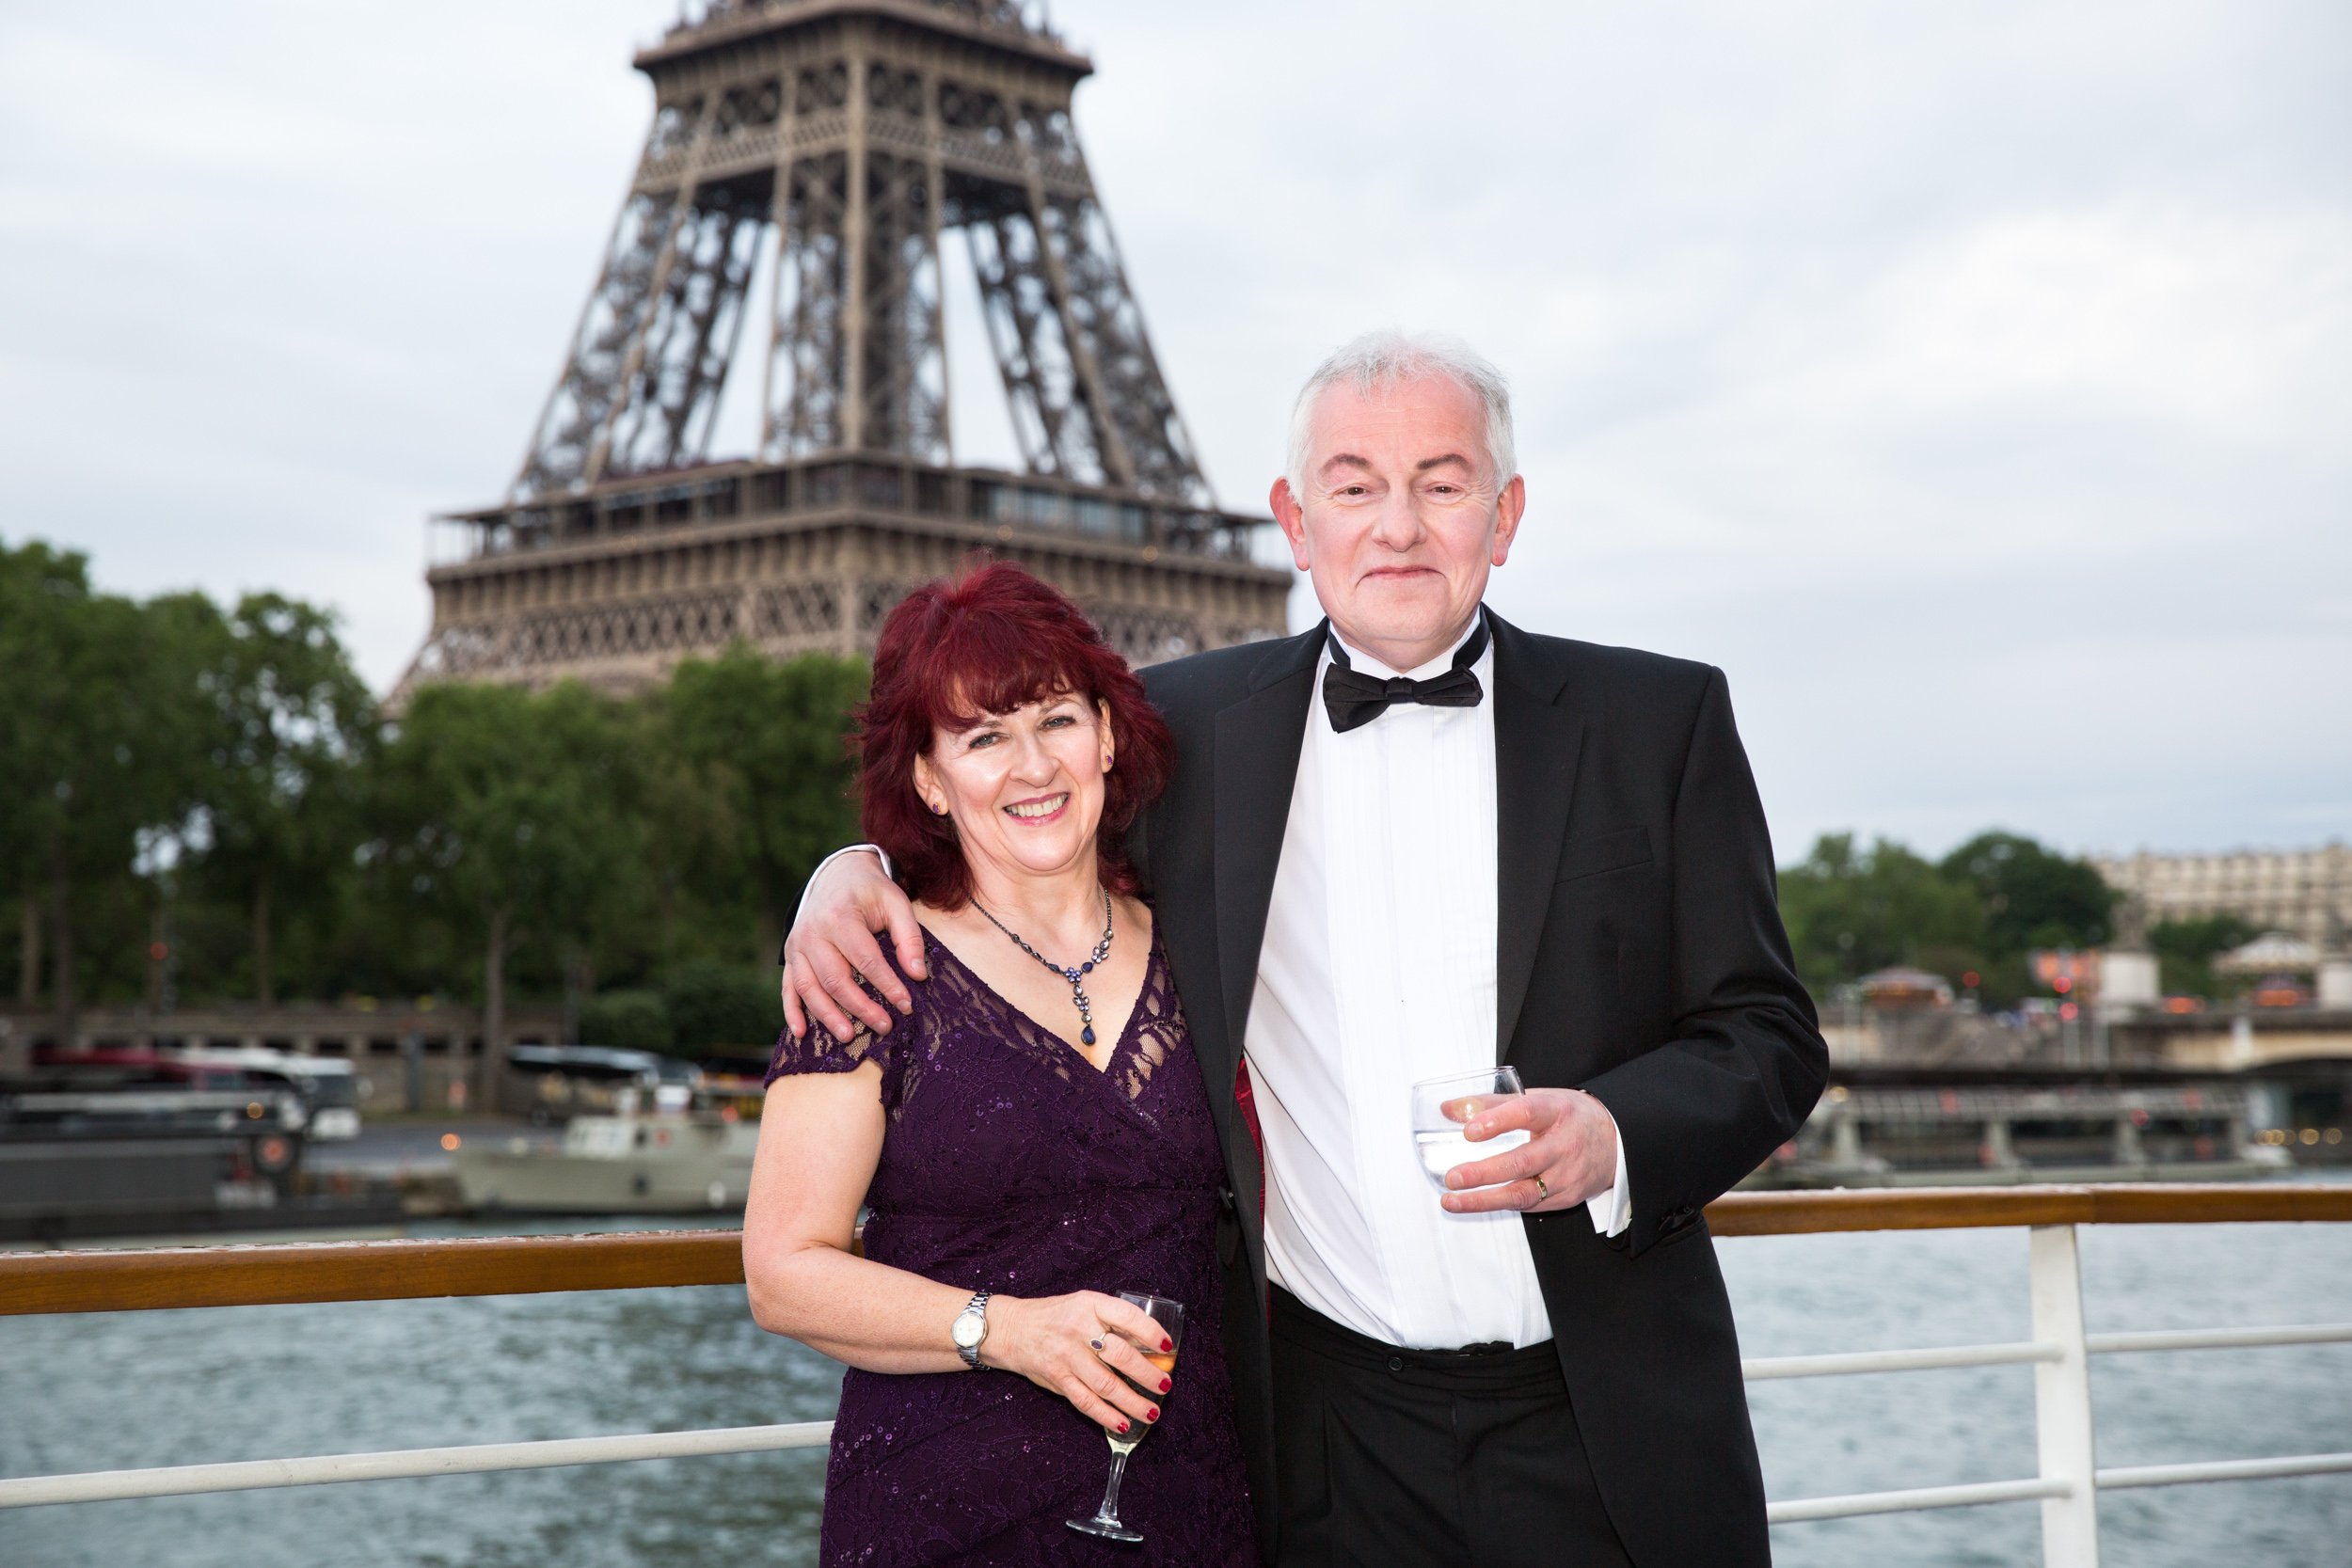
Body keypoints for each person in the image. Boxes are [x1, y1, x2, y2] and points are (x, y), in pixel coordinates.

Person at [784, 332, 1829, 1568]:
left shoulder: (1661, 722)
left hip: (1604, 1417)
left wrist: (1615, 1132)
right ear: (1294, 517)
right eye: (1354, 484)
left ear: (1506, 515)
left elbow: (1766, 1030)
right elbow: (1005, 813)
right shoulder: (1177, 731)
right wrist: (847, 873)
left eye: (1442, 483)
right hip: (1320, 1437)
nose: (1398, 524)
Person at [742, 564, 1258, 1567]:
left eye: (1056, 720)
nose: (1031, 767)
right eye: (983, 736)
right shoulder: (870, 970)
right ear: (930, 778)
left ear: (1107, 734)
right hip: (948, 1505)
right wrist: (1007, 1329)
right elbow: (782, 1272)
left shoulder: (1210, 944)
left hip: (1185, 1496)